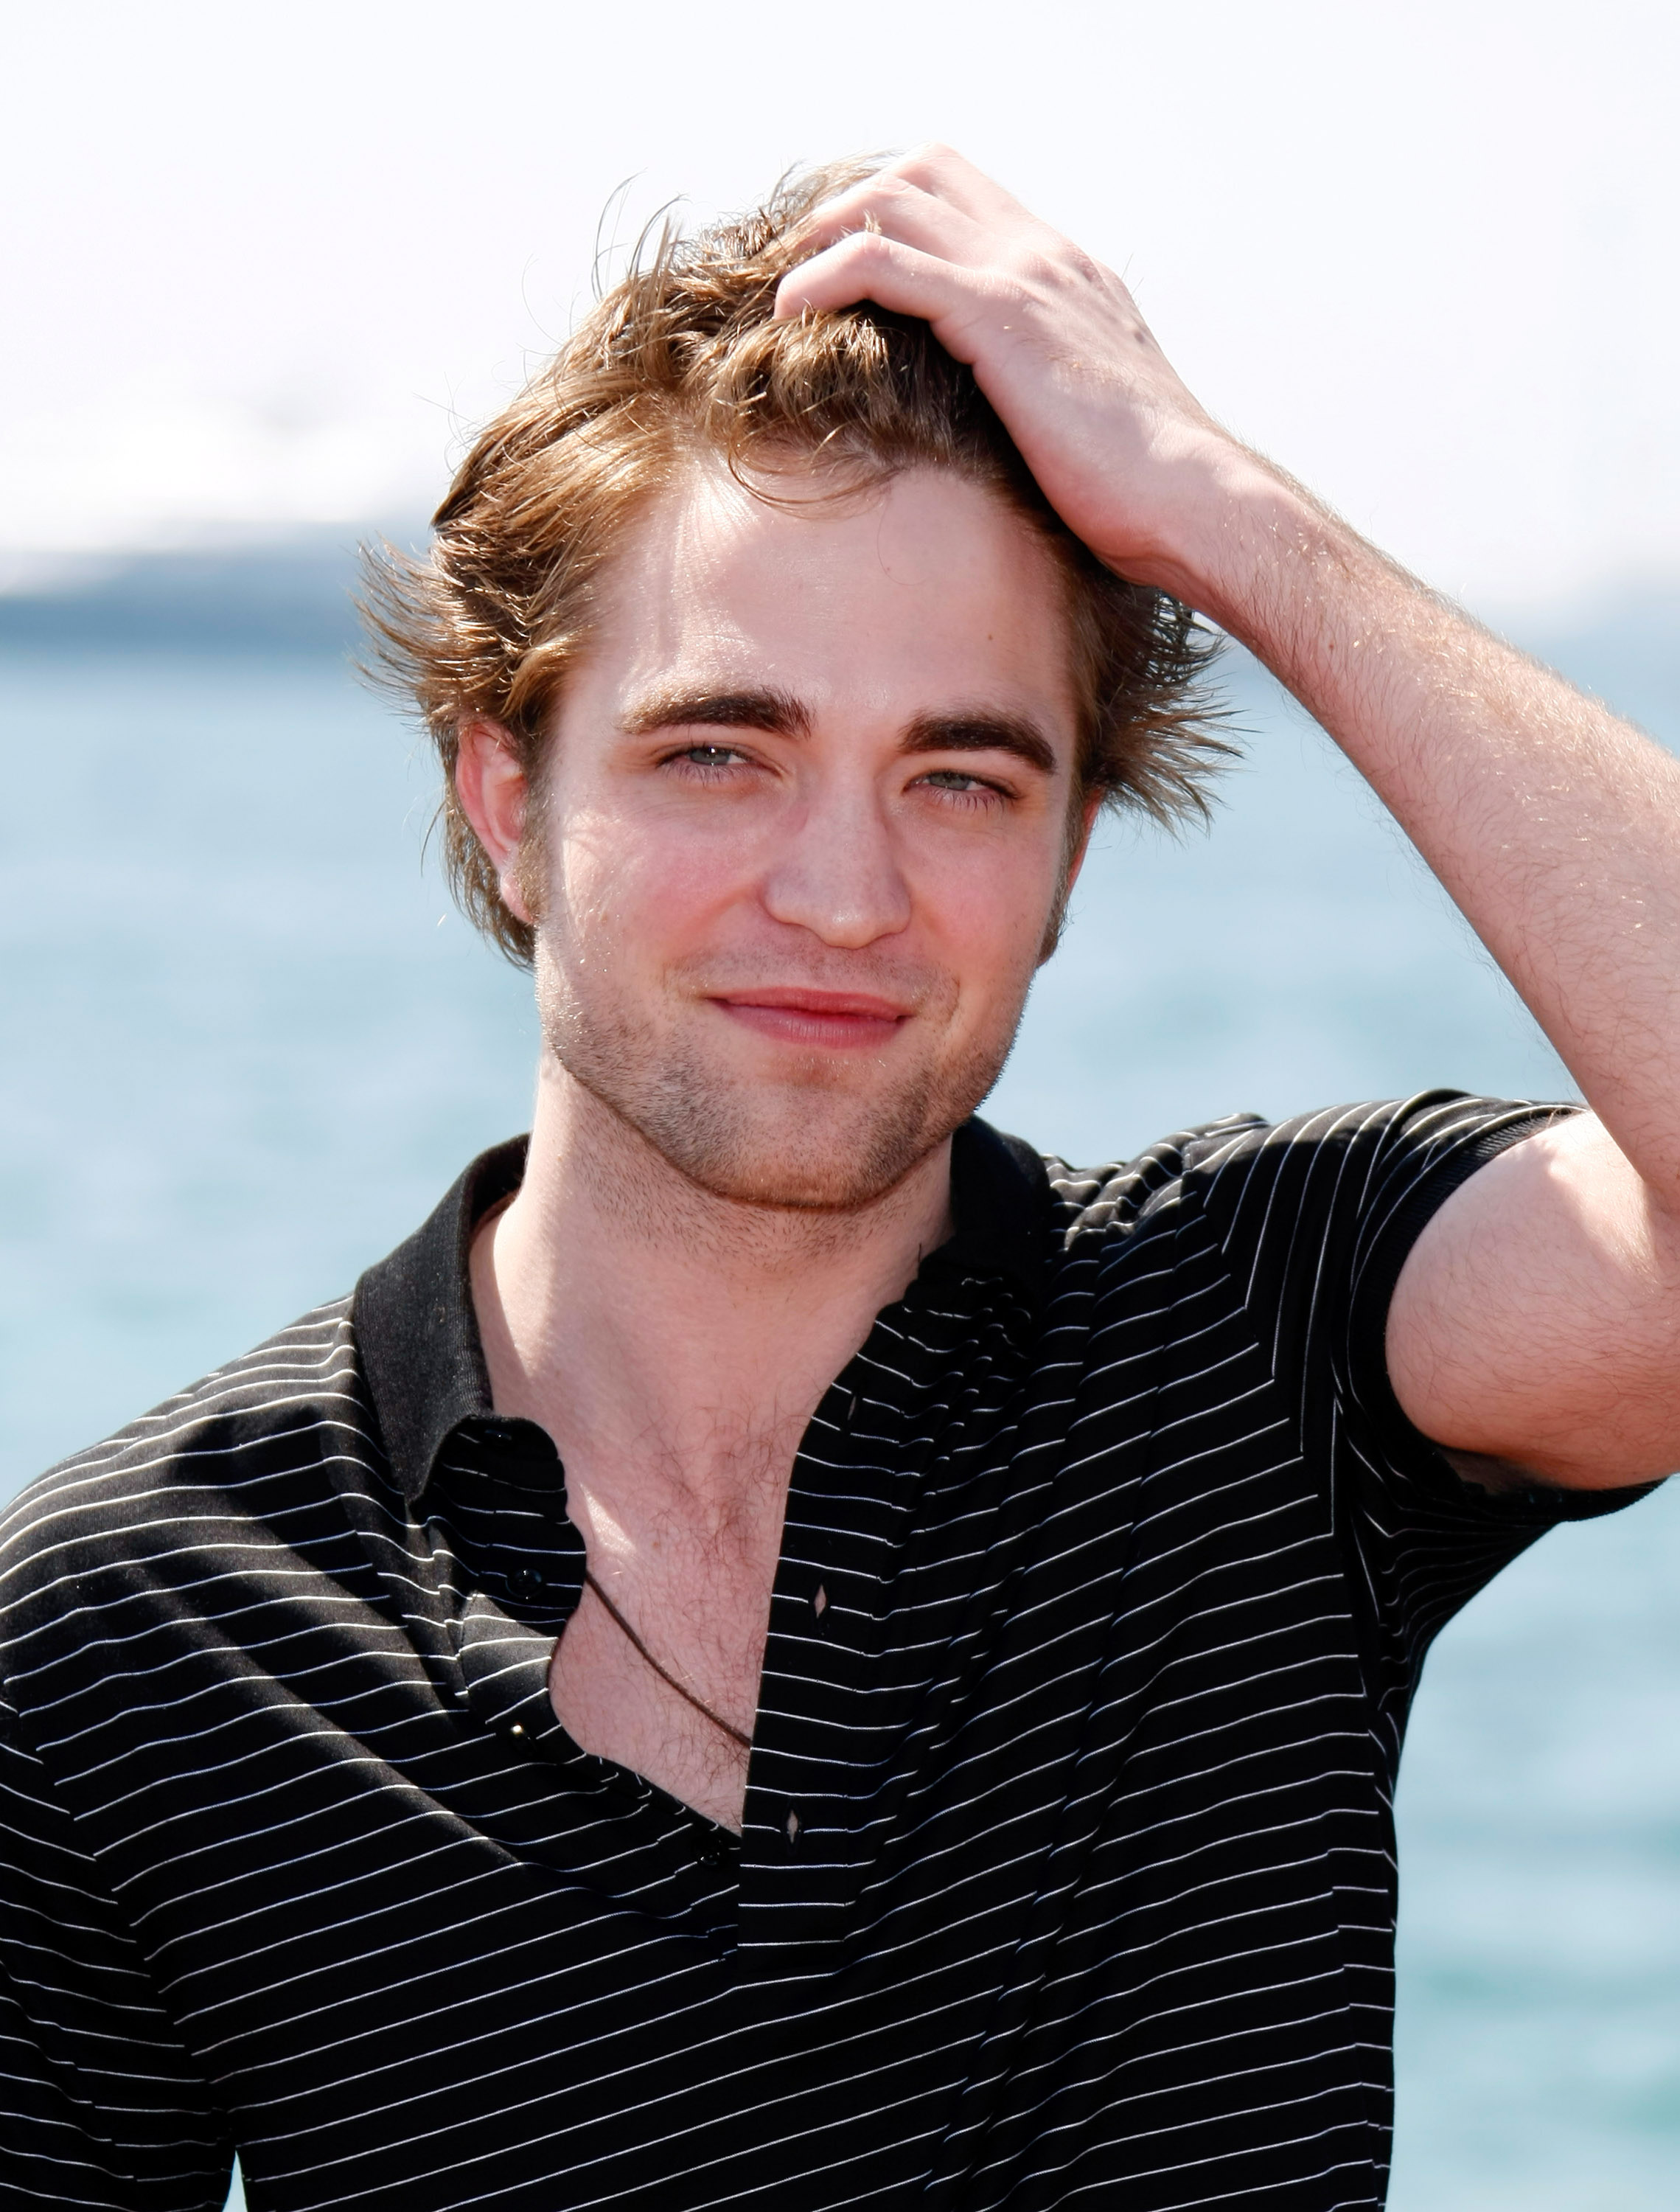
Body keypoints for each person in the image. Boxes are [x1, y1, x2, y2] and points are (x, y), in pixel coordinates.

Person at [3, 148, 1676, 2212]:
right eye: (721, 751)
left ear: (1070, 854)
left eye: (960, 777)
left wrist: (1231, 518)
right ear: (508, 801)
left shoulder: (1266, 1339)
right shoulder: (129, 1633)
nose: (844, 893)